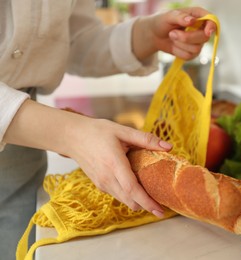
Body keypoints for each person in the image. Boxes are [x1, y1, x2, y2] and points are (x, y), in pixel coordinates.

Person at [0, 1, 216, 259]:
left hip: (24, 144)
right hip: (29, 125)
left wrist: (147, 34)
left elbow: (71, 40)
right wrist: (70, 134)